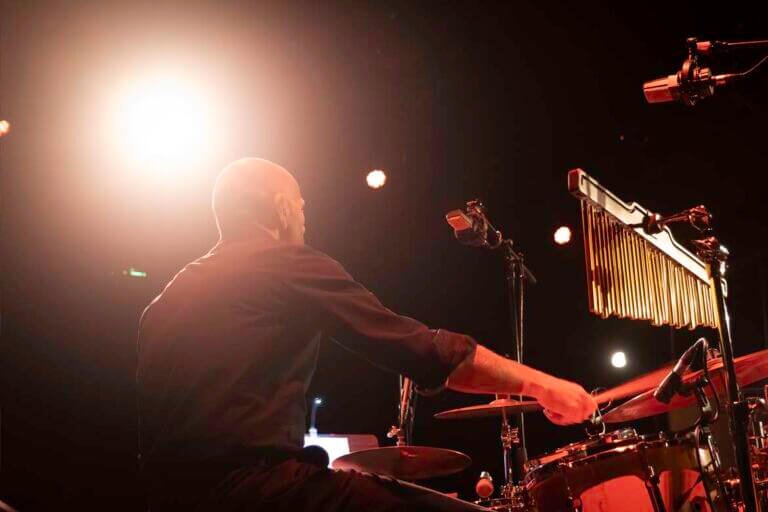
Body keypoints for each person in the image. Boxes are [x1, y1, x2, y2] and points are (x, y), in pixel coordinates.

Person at [137, 158, 597, 511]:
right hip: (260, 493)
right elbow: (421, 351)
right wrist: (544, 384)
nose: (303, 221)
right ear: (281, 209)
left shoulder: (165, 300)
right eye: (301, 209)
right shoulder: (286, 264)